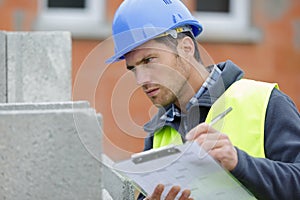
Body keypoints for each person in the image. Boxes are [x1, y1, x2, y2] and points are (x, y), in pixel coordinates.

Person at [106, 0, 300, 199]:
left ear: (186, 48)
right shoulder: (158, 134)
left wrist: (239, 163)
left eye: (149, 60)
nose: (141, 79)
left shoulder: (265, 102)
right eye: (133, 69)